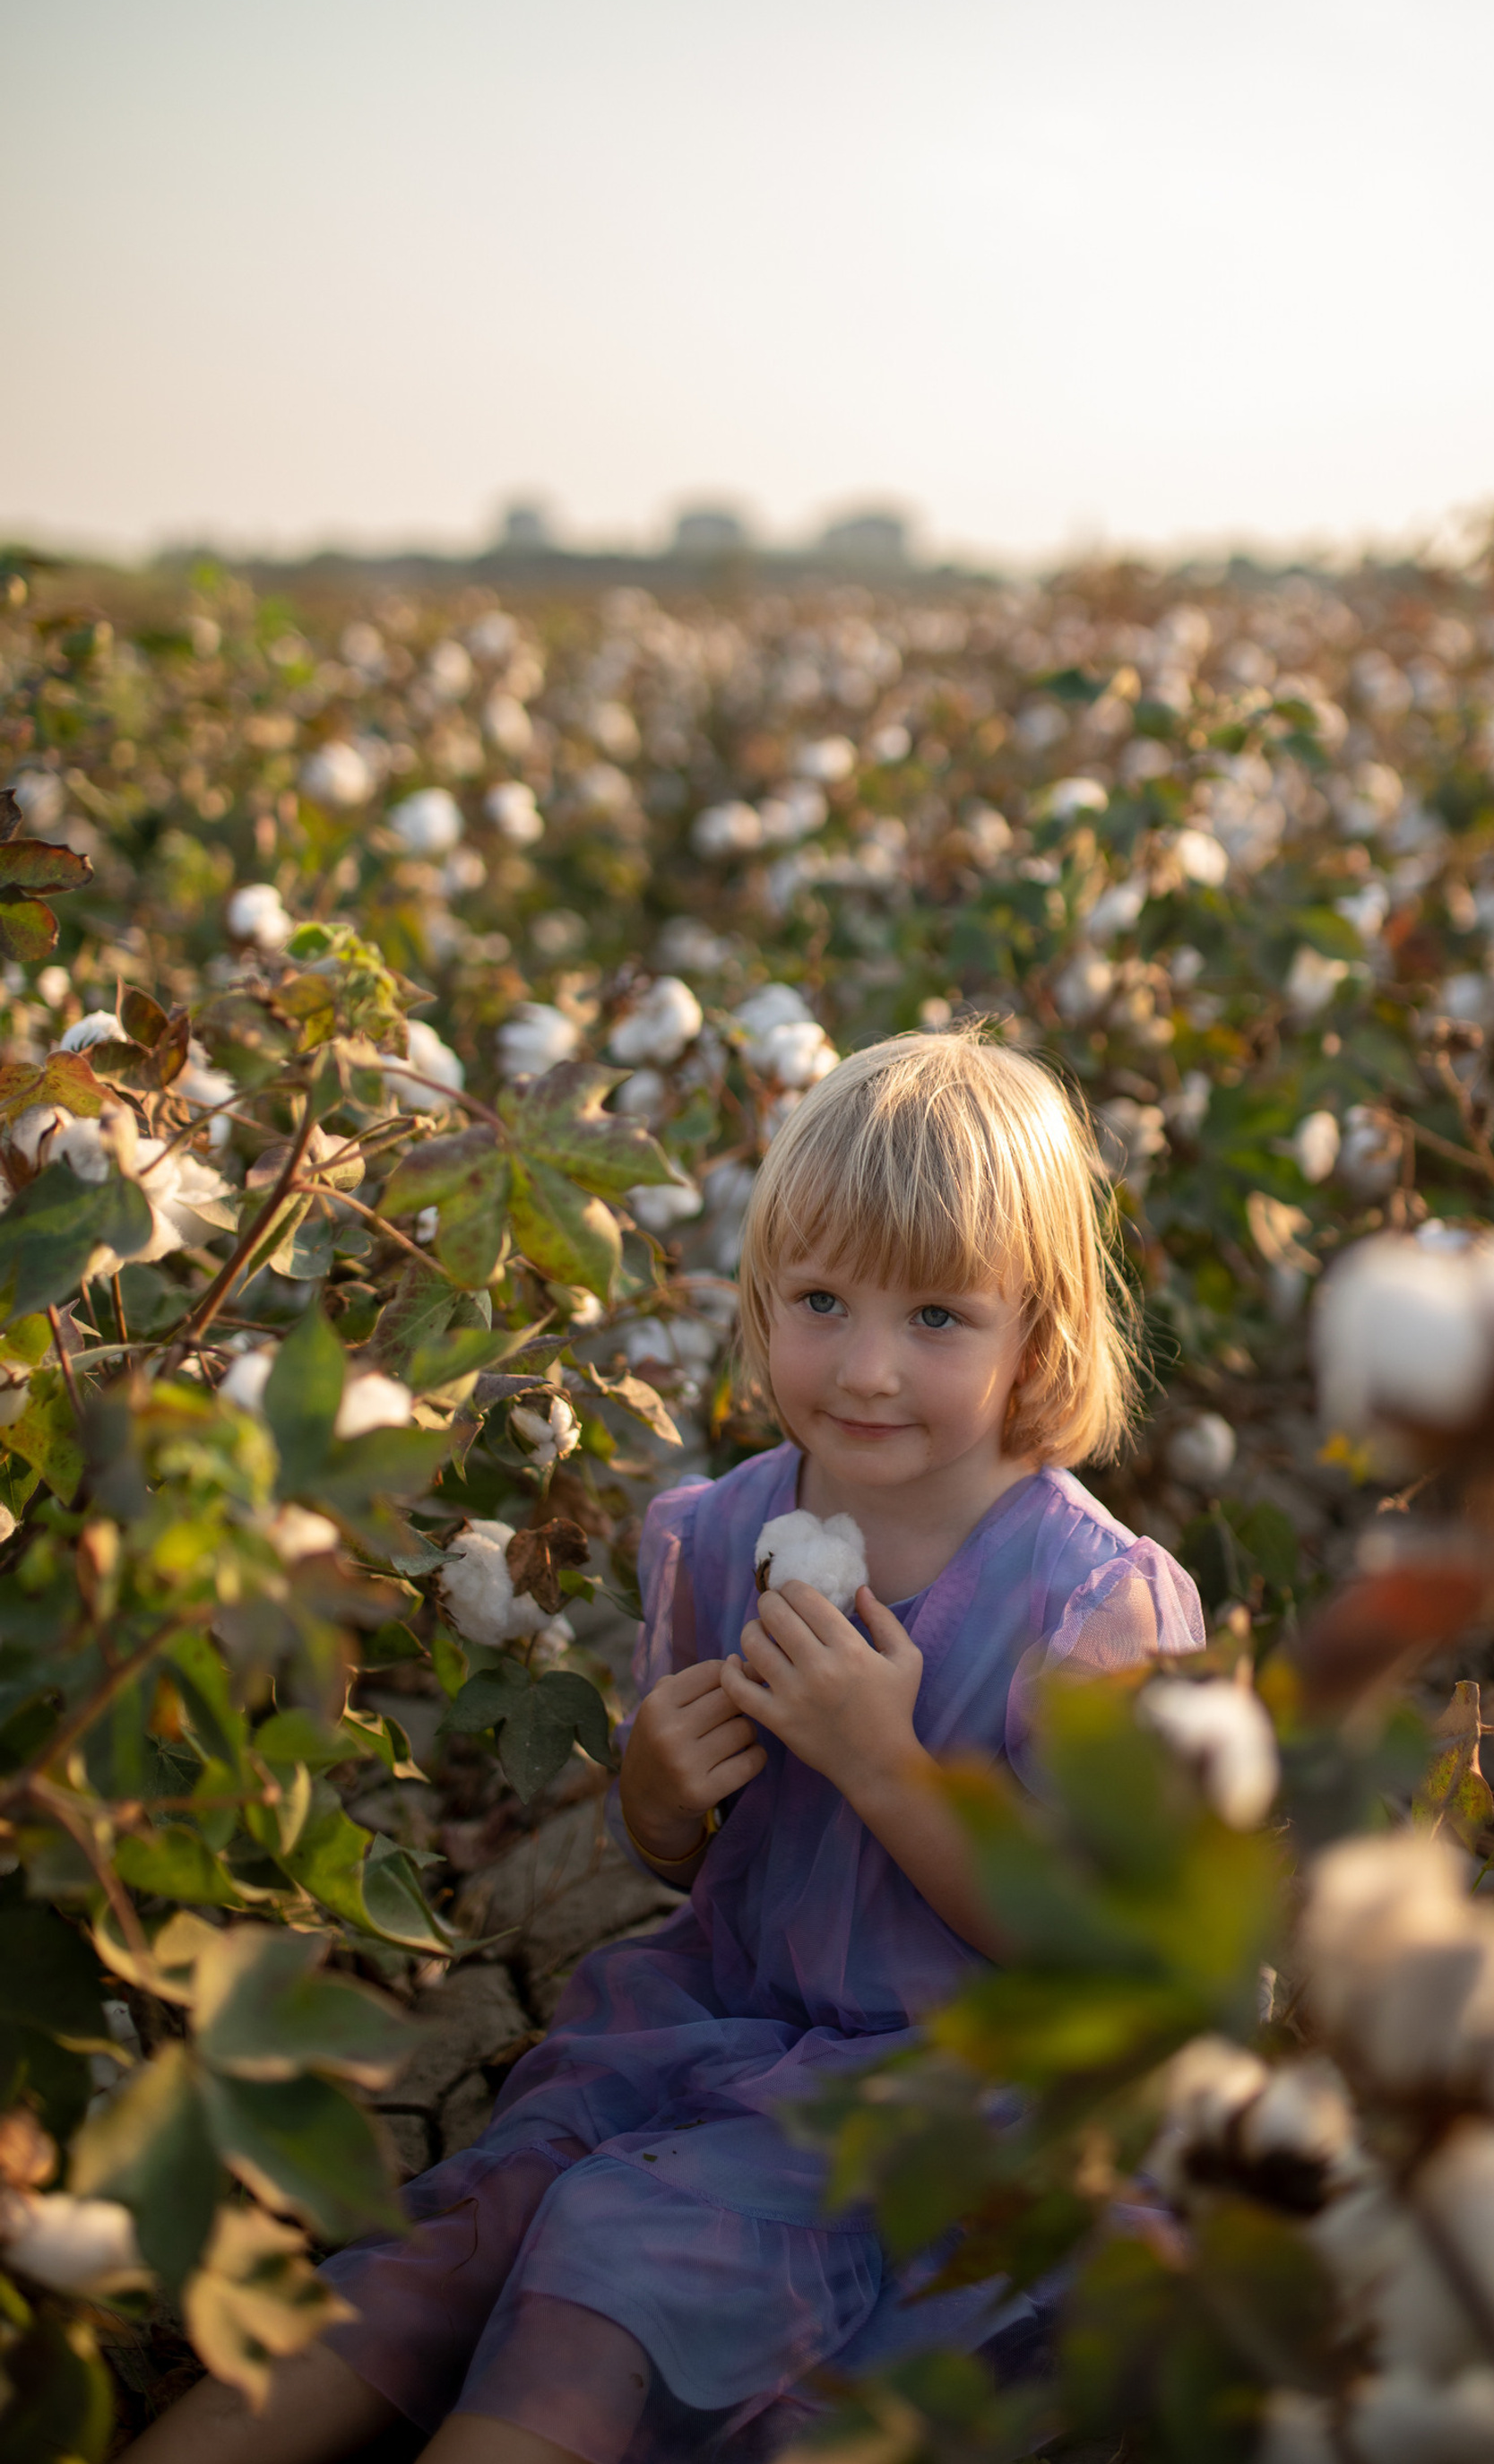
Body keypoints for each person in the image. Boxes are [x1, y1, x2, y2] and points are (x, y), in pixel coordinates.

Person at [127, 1027, 1203, 2464]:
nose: (869, 1369)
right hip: (714, 2017)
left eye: (939, 1317)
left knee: (612, 2262)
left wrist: (888, 1766)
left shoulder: (1086, 1599)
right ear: (762, 1302)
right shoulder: (716, 1535)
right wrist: (654, 1793)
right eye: (823, 1301)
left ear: (1042, 1336)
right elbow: (687, 1857)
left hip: (946, 2081)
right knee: (464, 2234)